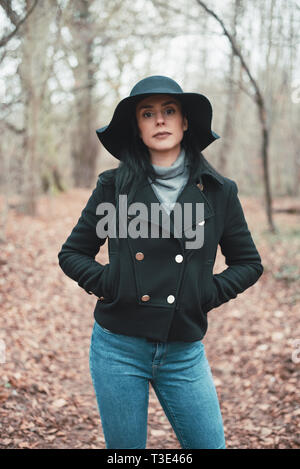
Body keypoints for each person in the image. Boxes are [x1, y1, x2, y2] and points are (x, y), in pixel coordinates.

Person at [58, 75, 264, 449]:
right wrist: (111, 284)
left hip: (183, 350)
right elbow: (72, 253)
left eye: (169, 111)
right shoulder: (113, 187)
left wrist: (205, 292)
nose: (160, 120)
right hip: (117, 347)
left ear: (185, 122)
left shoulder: (219, 191)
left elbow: (248, 263)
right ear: (137, 127)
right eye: (147, 113)